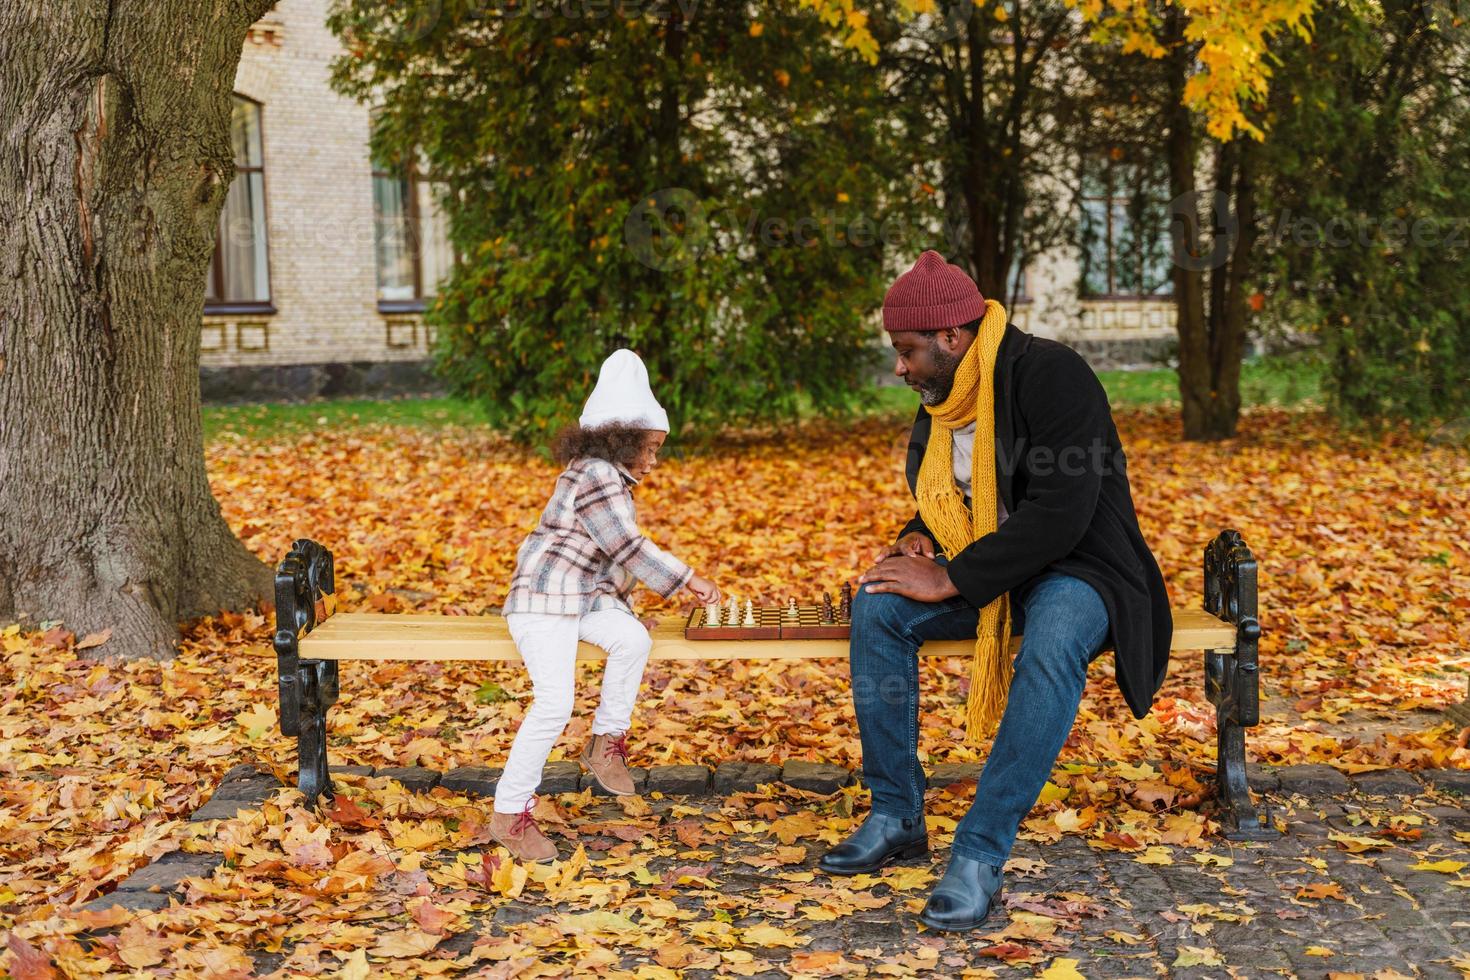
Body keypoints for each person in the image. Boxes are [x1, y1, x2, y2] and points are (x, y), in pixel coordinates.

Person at [818, 250, 1173, 932]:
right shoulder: (944, 397)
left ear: (953, 337)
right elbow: (952, 494)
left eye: (907, 351)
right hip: (990, 565)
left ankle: (979, 854)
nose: (900, 367)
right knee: (879, 603)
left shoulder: (1051, 374)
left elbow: (1061, 512)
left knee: (1052, 640)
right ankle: (896, 812)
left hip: (1082, 566)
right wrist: (921, 535)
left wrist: (952, 575)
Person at [493, 349, 721, 862]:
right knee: (554, 703)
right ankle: (509, 814)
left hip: (577, 599)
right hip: (543, 602)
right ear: (626, 439)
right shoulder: (596, 474)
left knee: (632, 638)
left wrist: (622, 608)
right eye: (653, 447)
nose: (655, 459)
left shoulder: (604, 475)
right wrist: (688, 580)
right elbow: (626, 547)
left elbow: (605, 563)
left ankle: (604, 743)